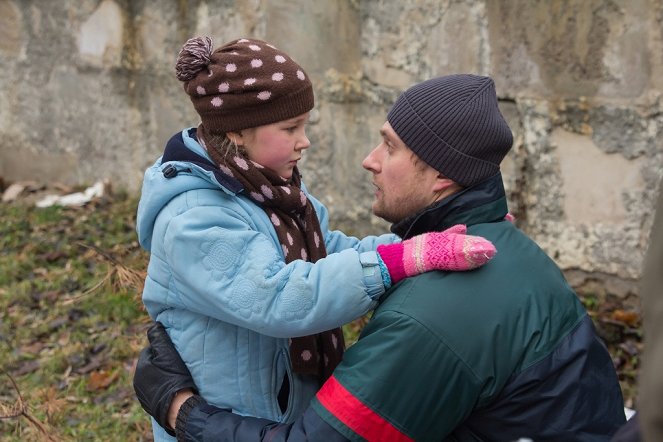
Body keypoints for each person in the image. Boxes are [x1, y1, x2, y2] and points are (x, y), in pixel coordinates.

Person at [134, 73, 627, 441]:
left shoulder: (433, 317)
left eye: (389, 147)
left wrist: (183, 412)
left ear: (441, 177)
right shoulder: (502, 244)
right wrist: (402, 253)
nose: (369, 159)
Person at [135, 37, 496, 441]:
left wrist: (423, 242)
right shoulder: (195, 220)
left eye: (304, 124)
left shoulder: (272, 194)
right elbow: (278, 297)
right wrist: (402, 260)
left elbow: (327, 254)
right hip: (223, 418)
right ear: (236, 132)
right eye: (290, 128)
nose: (304, 140)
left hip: (280, 410)